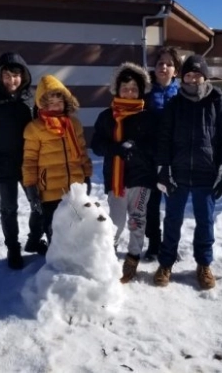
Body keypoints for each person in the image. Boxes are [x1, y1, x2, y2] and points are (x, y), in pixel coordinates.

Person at [153, 54, 222, 290]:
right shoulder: (174, 104)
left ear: (205, 76)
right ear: (183, 77)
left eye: (197, 75)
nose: (192, 79)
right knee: (172, 220)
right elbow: (164, 138)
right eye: (188, 75)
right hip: (177, 172)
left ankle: (204, 265)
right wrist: (163, 169)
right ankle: (166, 263)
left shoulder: (217, 100)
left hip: (206, 173)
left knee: (205, 221)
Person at [0, 52, 45, 270]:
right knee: (8, 208)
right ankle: (13, 247)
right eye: (6, 75)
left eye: (16, 75)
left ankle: (34, 240)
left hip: (29, 162)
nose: (11, 80)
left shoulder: (32, 97)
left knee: (39, 205)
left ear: (23, 76)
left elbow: (43, 127)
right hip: (2, 163)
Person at [90, 62, 156, 283]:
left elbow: (155, 147)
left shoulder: (148, 117)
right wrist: (116, 149)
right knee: (115, 221)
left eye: (134, 89)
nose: (129, 92)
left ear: (140, 91)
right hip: (116, 180)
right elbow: (97, 145)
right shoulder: (106, 116)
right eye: (125, 88)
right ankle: (108, 255)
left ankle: (133, 256)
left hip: (141, 179)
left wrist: (137, 150)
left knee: (137, 219)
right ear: (117, 89)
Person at [22, 74, 93, 249]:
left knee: (75, 226)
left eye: (59, 102)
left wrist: (87, 174)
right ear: (42, 104)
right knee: (54, 229)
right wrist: (31, 188)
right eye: (50, 103)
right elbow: (29, 161)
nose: (55, 106)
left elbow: (82, 152)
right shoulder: (35, 128)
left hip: (74, 187)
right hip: (50, 191)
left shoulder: (73, 124)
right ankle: (56, 264)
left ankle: (74, 258)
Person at [142, 46, 183, 261]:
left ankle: (170, 245)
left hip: (175, 159)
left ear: (175, 71)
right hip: (150, 157)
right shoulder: (145, 92)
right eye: (160, 63)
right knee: (151, 204)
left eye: (168, 64)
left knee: (174, 205)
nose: (163, 67)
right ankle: (154, 244)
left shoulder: (183, 94)